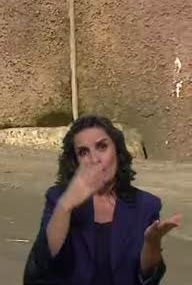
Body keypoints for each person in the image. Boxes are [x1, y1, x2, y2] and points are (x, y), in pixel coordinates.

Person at [23, 114, 182, 285]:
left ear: (117, 151)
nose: (94, 159)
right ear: (75, 161)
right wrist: (65, 206)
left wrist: (152, 242)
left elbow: (147, 277)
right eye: (83, 152)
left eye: (102, 147)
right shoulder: (57, 198)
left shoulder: (146, 205)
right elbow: (44, 263)